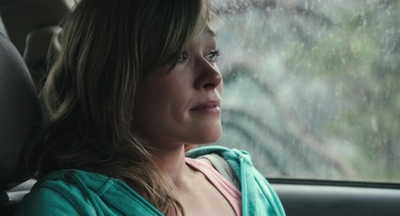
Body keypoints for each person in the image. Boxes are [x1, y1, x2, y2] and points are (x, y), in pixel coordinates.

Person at [16, 0, 285, 215]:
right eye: (179, 57)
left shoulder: (244, 182)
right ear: (117, 83)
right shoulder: (68, 206)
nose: (213, 76)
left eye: (211, 54)